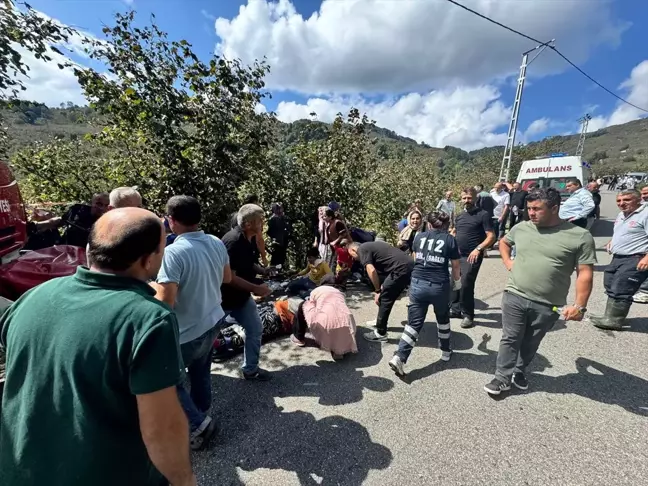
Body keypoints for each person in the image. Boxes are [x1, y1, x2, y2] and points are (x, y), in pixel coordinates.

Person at [0, 208, 195, 486]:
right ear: (149, 260)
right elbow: (161, 430)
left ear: (90, 249)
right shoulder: (148, 319)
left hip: (18, 472)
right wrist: (185, 480)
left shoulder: (34, 296)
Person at [484, 188, 596, 396]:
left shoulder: (579, 236)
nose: (531, 213)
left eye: (537, 209)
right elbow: (504, 243)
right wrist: (509, 263)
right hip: (514, 294)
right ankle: (502, 377)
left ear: (555, 208)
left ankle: (519, 370)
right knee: (510, 337)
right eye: (529, 208)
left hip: (548, 303)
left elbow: (585, 274)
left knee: (531, 342)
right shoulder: (522, 228)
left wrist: (579, 306)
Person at [152, 196, 230, 450]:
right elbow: (226, 277)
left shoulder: (173, 253)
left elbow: (166, 303)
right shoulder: (216, 242)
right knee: (200, 368)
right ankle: (200, 410)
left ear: (171, 221)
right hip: (214, 318)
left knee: (165, 379)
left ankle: (198, 424)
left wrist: (151, 287)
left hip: (187, 330)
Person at [389, 211, 461, 376]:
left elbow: (416, 259)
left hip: (417, 284)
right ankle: (445, 351)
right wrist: (457, 284)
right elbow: (456, 266)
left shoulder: (418, 237)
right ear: (445, 225)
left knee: (413, 323)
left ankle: (400, 356)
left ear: (428, 224)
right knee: (442, 318)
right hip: (439, 286)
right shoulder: (449, 240)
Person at [221, 204, 273, 381]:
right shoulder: (232, 241)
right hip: (222, 300)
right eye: (260, 221)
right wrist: (257, 288)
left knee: (255, 329)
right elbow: (229, 278)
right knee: (205, 337)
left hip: (242, 299)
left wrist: (263, 271)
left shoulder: (248, 238)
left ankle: (250, 369)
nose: (263, 224)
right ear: (250, 223)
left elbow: (249, 263)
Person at [590, 190, 648, 329]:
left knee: (621, 288)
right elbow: (621, 232)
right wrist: (612, 242)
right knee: (610, 283)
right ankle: (611, 315)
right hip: (618, 257)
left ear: (638, 199)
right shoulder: (622, 214)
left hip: (635, 257)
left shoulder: (645, 214)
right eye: (619, 201)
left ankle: (614, 320)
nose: (622, 204)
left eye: (626, 200)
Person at [348, 240, 414, 343]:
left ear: (353, 249)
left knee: (385, 298)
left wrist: (377, 290)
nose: (353, 258)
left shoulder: (362, 249)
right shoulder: (372, 246)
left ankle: (380, 333)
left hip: (401, 268)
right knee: (386, 294)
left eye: (351, 255)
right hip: (406, 265)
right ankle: (380, 321)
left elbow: (372, 270)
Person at [450, 187, 496, 328]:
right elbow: (455, 231)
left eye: (469, 198)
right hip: (457, 255)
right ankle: (456, 309)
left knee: (466, 284)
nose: (466, 201)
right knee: (455, 283)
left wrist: (478, 249)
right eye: (464, 198)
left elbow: (491, 236)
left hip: (472, 255)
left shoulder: (483, 214)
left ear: (475, 198)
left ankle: (468, 314)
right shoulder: (459, 216)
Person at [290, 285, 358, 359]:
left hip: (325, 323)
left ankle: (299, 338)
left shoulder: (316, 291)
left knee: (303, 305)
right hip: (348, 322)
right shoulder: (339, 294)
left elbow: (311, 303)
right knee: (338, 320)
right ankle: (338, 350)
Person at [33, 192, 110, 248]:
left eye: (106, 205)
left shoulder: (107, 221)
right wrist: (39, 224)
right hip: (63, 248)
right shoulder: (78, 210)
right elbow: (61, 221)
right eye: (99, 204)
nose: (102, 208)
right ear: (92, 203)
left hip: (84, 255)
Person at [230, 194, 268, 266]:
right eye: (257, 203)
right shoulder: (254, 218)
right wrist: (264, 257)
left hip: (237, 252)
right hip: (250, 252)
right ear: (254, 202)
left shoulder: (236, 216)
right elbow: (259, 239)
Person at [267, 202, 290, 267]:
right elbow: (269, 231)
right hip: (277, 242)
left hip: (283, 241)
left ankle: (278, 271)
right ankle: (273, 272)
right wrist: (274, 238)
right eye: (278, 208)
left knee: (281, 257)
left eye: (281, 208)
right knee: (275, 257)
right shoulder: (273, 219)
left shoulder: (284, 218)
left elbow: (287, 228)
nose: (280, 210)